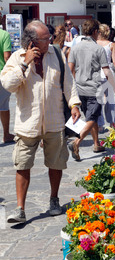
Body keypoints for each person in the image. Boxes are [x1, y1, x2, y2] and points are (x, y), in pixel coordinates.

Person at [1, 21, 81, 223]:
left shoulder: (57, 55)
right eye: (46, 38)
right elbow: (8, 85)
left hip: (54, 121)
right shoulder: (17, 58)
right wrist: (24, 63)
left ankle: (54, 199)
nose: (50, 40)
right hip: (28, 123)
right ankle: (20, 208)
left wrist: (74, 104)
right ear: (33, 41)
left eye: (50, 37)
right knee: (23, 164)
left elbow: (68, 83)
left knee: (56, 164)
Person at [68, 19, 115, 161]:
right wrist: (114, 88)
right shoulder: (98, 49)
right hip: (94, 88)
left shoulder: (75, 48)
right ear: (95, 32)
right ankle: (77, 142)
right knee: (93, 117)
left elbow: (70, 69)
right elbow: (106, 71)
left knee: (90, 117)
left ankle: (96, 144)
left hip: (79, 88)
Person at [96, 23, 115, 131]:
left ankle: (100, 124)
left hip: (96, 74)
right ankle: (112, 122)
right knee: (110, 100)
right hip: (108, 73)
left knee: (98, 100)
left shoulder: (94, 44)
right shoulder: (111, 45)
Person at [0, 27, 14, 143]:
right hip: (1, 74)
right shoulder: (4, 35)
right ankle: (6, 134)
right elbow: (7, 57)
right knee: (3, 105)